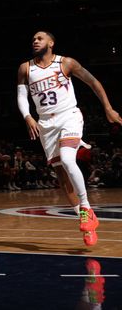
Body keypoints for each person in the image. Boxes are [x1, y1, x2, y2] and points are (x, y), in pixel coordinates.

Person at [17, 30, 122, 246]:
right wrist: (28, 116)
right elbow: (21, 96)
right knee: (62, 177)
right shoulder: (25, 68)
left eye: (40, 38)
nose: (35, 41)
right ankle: (84, 223)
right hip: (45, 123)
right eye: (33, 39)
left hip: (69, 116)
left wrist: (108, 109)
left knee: (67, 159)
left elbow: (93, 82)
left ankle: (86, 208)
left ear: (51, 42)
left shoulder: (66, 63)